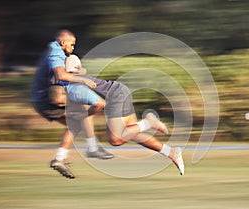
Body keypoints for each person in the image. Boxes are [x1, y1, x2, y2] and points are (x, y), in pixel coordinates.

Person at [57, 54, 185, 175]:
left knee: (116, 139)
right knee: (132, 134)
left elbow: (99, 104)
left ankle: (148, 122)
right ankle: (170, 152)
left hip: (116, 95)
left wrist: (85, 115)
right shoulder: (76, 83)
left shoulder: (74, 88)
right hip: (119, 91)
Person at [31, 30, 114, 179]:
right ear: (63, 42)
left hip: (41, 101)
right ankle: (92, 147)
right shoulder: (55, 51)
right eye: (72, 44)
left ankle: (59, 159)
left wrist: (79, 73)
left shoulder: (57, 52)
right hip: (47, 100)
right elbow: (61, 75)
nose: (73, 48)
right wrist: (83, 79)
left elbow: (63, 75)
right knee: (87, 110)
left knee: (75, 125)